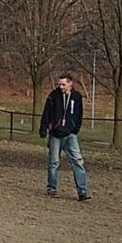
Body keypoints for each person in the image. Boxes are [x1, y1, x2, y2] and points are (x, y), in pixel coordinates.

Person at [39, 73, 91, 201]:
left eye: (63, 84)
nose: (61, 86)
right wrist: (44, 128)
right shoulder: (53, 96)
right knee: (53, 162)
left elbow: (79, 114)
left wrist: (75, 129)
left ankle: (82, 191)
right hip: (55, 135)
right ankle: (51, 188)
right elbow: (46, 113)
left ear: (70, 83)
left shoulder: (77, 97)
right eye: (59, 84)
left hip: (70, 135)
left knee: (78, 161)